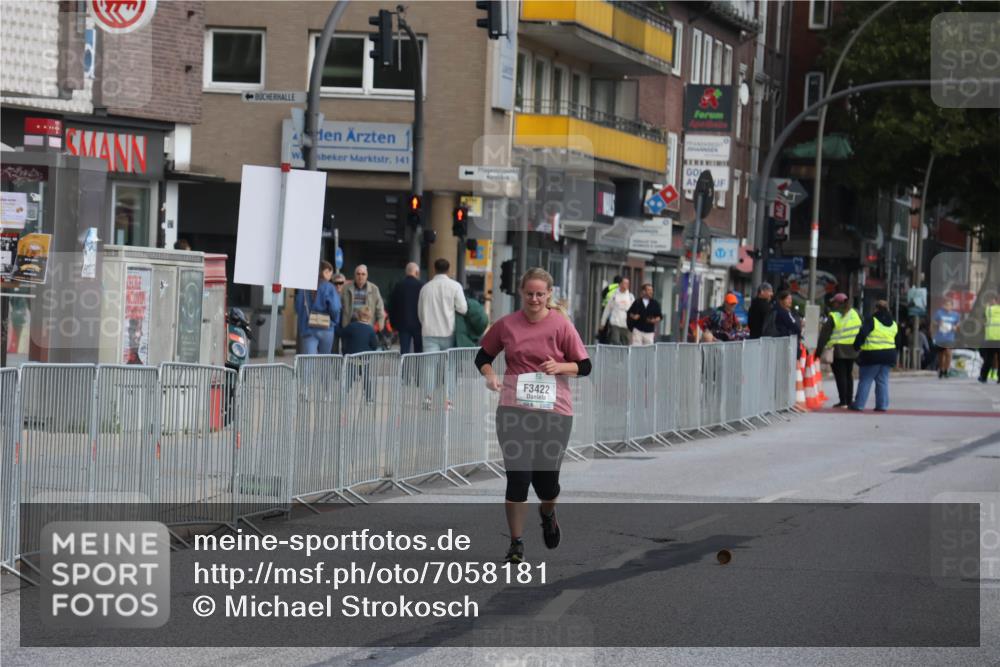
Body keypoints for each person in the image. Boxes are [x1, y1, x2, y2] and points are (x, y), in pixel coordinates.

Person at [475, 268, 591, 564]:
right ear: (521, 293)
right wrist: (490, 376)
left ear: (549, 294)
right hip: (514, 409)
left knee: (546, 484)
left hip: (554, 412)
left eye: (540, 294)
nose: (535, 299)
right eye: (530, 294)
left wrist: (560, 367)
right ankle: (516, 543)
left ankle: (548, 513)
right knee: (518, 478)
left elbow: (585, 365)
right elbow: (483, 357)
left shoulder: (561, 325)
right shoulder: (507, 325)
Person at [850, 300, 897, 412]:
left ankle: (859, 404)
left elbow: (862, 334)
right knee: (883, 381)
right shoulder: (894, 323)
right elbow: (898, 341)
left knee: (866, 380)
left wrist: (856, 346)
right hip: (889, 355)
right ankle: (882, 405)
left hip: (872, 355)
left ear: (876, 309)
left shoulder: (872, 320)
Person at [816, 293, 861, 408]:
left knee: (840, 375)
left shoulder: (834, 316)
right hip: (852, 350)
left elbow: (824, 335)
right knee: (848, 374)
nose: (832, 304)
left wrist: (818, 351)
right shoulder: (855, 314)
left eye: (834, 302)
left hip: (838, 350)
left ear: (838, 303)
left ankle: (843, 401)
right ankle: (849, 400)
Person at [417, 258, 468, 352]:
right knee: (448, 365)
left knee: (429, 366)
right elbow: (463, 309)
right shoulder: (455, 286)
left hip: (429, 332)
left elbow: (420, 313)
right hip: (449, 331)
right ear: (448, 270)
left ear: (434, 269)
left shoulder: (425, 288)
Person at [295, 260, 341, 355]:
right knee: (324, 360)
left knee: (308, 361)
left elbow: (298, 307)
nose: (330, 277)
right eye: (330, 273)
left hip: (308, 328)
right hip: (326, 327)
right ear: (325, 271)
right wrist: (334, 321)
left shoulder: (304, 287)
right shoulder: (329, 287)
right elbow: (335, 308)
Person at [389, 262, 424, 354]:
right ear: (416, 272)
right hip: (419, 324)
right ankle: (418, 368)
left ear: (406, 272)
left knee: (404, 351)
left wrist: (393, 324)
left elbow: (392, 305)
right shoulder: (421, 286)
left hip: (403, 324)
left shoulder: (398, 286)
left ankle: (404, 368)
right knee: (419, 351)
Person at [340, 264, 385, 331]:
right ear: (354, 275)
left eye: (363, 274)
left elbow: (380, 309)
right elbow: (339, 307)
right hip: (349, 325)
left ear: (367, 276)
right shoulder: (346, 288)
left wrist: (380, 325)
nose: (360, 276)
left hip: (367, 326)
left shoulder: (374, 289)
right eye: (358, 274)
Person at [599, 277, 634, 346]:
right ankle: (616, 356)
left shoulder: (630, 297)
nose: (626, 285)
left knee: (625, 343)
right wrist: (602, 323)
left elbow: (635, 311)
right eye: (624, 283)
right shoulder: (614, 296)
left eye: (627, 284)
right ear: (620, 284)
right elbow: (607, 309)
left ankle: (624, 356)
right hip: (615, 322)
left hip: (626, 324)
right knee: (615, 341)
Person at [932, 300, 960, 378]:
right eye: (946, 305)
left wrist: (955, 327)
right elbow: (933, 322)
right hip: (940, 337)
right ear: (943, 305)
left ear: (952, 306)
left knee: (948, 352)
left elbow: (958, 324)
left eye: (949, 305)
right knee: (941, 355)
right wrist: (938, 323)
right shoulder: (939, 313)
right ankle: (941, 369)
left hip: (950, 337)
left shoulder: (955, 315)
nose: (947, 306)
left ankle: (947, 370)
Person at [773, 290, 802, 356]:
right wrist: (799, 333)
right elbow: (793, 325)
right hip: (784, 343)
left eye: (791, 299)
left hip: (777, 342)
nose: (790, 301)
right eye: (788, 299)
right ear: (781, 300)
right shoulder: (784, 312)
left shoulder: (776, 310)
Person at [979, 295, 1000, 383]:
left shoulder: (989, 310)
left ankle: (983, 377)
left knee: (988, 359)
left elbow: (983, 316)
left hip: (990, 339)